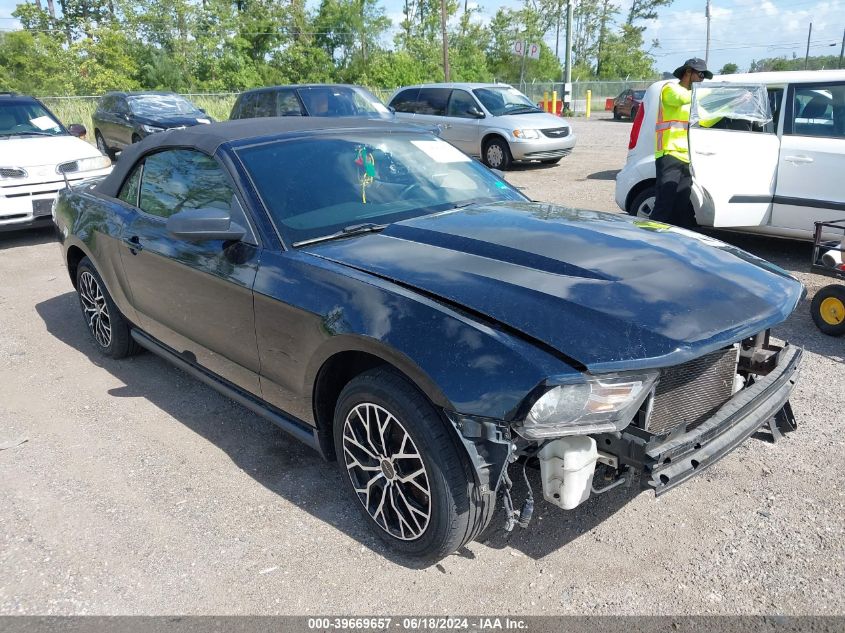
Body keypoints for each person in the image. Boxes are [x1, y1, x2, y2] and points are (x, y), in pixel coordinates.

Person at [650, 57, 713, 228]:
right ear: (688, 72)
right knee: (664, 204)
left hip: (686, 158)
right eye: (700, 74)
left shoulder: (693, 98)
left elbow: (707, 120)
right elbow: (679, 98)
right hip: (669, 153)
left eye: (704, 77)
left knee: (682, 206)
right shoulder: (670, 89)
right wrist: (710, 93)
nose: (702, 79)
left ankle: (675, 244)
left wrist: (732, 104)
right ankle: (648, 241)